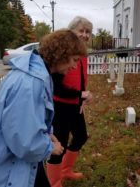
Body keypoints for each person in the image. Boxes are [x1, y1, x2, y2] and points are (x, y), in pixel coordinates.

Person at [0, 29, 87, 187]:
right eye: (74, 60)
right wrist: (50, 147)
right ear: (61, 54)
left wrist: (46, 135)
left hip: (14, 162)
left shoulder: (35, 73)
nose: (75, 67)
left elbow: (24, 122)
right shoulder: (30, 83)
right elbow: (23, 142)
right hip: (4, 168)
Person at [46, 16, 93, 187]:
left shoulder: (82, 53)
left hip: (75, 105)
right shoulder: (64, 53)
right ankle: (54, 182)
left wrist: (82, 97)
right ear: (71, 31)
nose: (85, 34)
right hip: (60, 105)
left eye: (88, 31)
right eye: (81, 30)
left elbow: (80, 80)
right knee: (60, 145)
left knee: (80, 136)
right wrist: (81, 94)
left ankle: (66, 170)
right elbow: (56, 87)